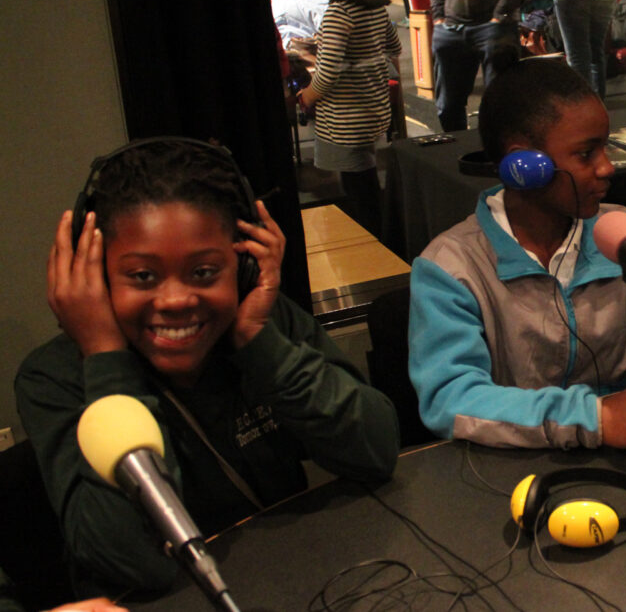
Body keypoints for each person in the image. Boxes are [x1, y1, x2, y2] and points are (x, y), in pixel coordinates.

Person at [16, 138, 400, 595]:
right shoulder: (54, 378)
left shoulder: (261, 320)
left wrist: (260, 341)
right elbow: (140, 566)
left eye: (203, 272)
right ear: (96, 274)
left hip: (291, 580)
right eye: (142, 276)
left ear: (241, 267)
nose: (176, 300)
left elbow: (375, 450)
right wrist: (105, 359)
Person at [408, 59, 626, 453]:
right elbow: (451, 397)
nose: (607, 167)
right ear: (524, 166)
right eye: (586, 154)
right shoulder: (450, 267)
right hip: (513, 468)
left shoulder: (625, 233)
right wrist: (595, 418)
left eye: (605, 147)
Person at [297, 0, 401, 238]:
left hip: (346, 119)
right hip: (373, 111)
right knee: (366, 181)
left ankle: (376, 249)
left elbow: (326, 74)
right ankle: (382, 241)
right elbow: (393, 47)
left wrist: (307, 96)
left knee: (358, 191)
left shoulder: (339, 13)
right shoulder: (376, 8)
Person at [426, 0, 528, 132]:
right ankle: (460, 154)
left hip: (494, 26)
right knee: (447, 108)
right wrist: (438, 15)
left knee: (499, 107)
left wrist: (501, 14)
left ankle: (495, 157)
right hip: (451, 26)